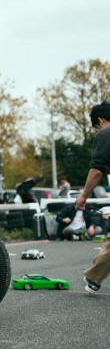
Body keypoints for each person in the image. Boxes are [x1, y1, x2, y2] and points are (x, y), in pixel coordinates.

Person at [78, 101, 110, 293]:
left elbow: (97, 170)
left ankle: (94, 276)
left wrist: (83, 195)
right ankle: (93, 276)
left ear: (100, 120)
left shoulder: (105, 134)